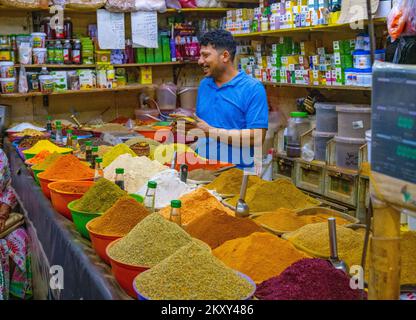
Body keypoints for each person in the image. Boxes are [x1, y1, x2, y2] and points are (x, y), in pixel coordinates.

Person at [188, 29, 269, 170]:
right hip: (203, 172)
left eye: (205, 55)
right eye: (200, 56)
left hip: (235, 175)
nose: (200, 61)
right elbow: (204, 129)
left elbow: (256, 137)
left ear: (225, 56)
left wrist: (211, 131)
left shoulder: (252, 88)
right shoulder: (204, 85)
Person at [0, 148, 32, 300]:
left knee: (20, 237)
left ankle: (12, 295)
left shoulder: (0, 155)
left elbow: (8, 187)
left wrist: (3, 213)